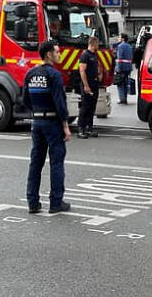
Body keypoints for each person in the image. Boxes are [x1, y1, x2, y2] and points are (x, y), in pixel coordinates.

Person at [23, 40, 71, 214]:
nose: (59, 54)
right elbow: (60, 102)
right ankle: (56, 202)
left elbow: (25, 99)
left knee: (36, 163)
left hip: (36, 122)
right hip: (52, 123)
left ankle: (32, 202)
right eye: (57, 52)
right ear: (49, 54)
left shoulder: (30, 74)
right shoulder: (54, 75)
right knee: (56, 163)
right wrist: (65, 125)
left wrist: (36, 112)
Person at [78, 36, 102, 139]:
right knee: (85, 107)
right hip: (88, 84)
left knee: (92, 107)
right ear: (93, 43)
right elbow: (82, 71)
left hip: (94, 83)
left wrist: (100, 73)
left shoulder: (94, 55)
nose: (98, 45)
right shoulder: (85, 55)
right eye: (97, 43)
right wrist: (86, 85)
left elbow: (97, 66)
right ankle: (81, 129)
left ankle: (89, 128)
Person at [115, 33, 133, 104]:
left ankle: (122, 98)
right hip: (128, 67)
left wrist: (118, 69)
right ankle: (125, 98)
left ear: (122, 38)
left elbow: (119, 58)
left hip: (122, 67)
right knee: (125, 83)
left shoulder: (120, 46)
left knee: (120, 83)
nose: (118, 38)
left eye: (119, 37)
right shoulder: (129, 46)